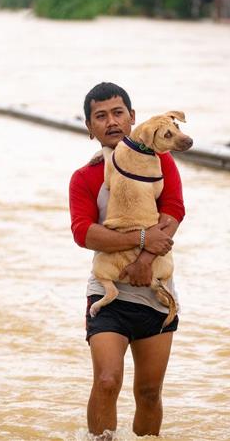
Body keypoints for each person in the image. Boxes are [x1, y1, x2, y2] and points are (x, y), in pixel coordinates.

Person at [68, 82, 185, 438]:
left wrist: (144, 260)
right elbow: (84, 234)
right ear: (90, 128)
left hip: (156, 291)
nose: (111, 122)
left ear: (133, 118)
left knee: (149, 393)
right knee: (106, 381)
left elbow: (173, 214)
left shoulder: (161, 163)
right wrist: (142, 238)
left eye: (118, 113)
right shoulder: (84, 177)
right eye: (100, 117)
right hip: (109, 292)